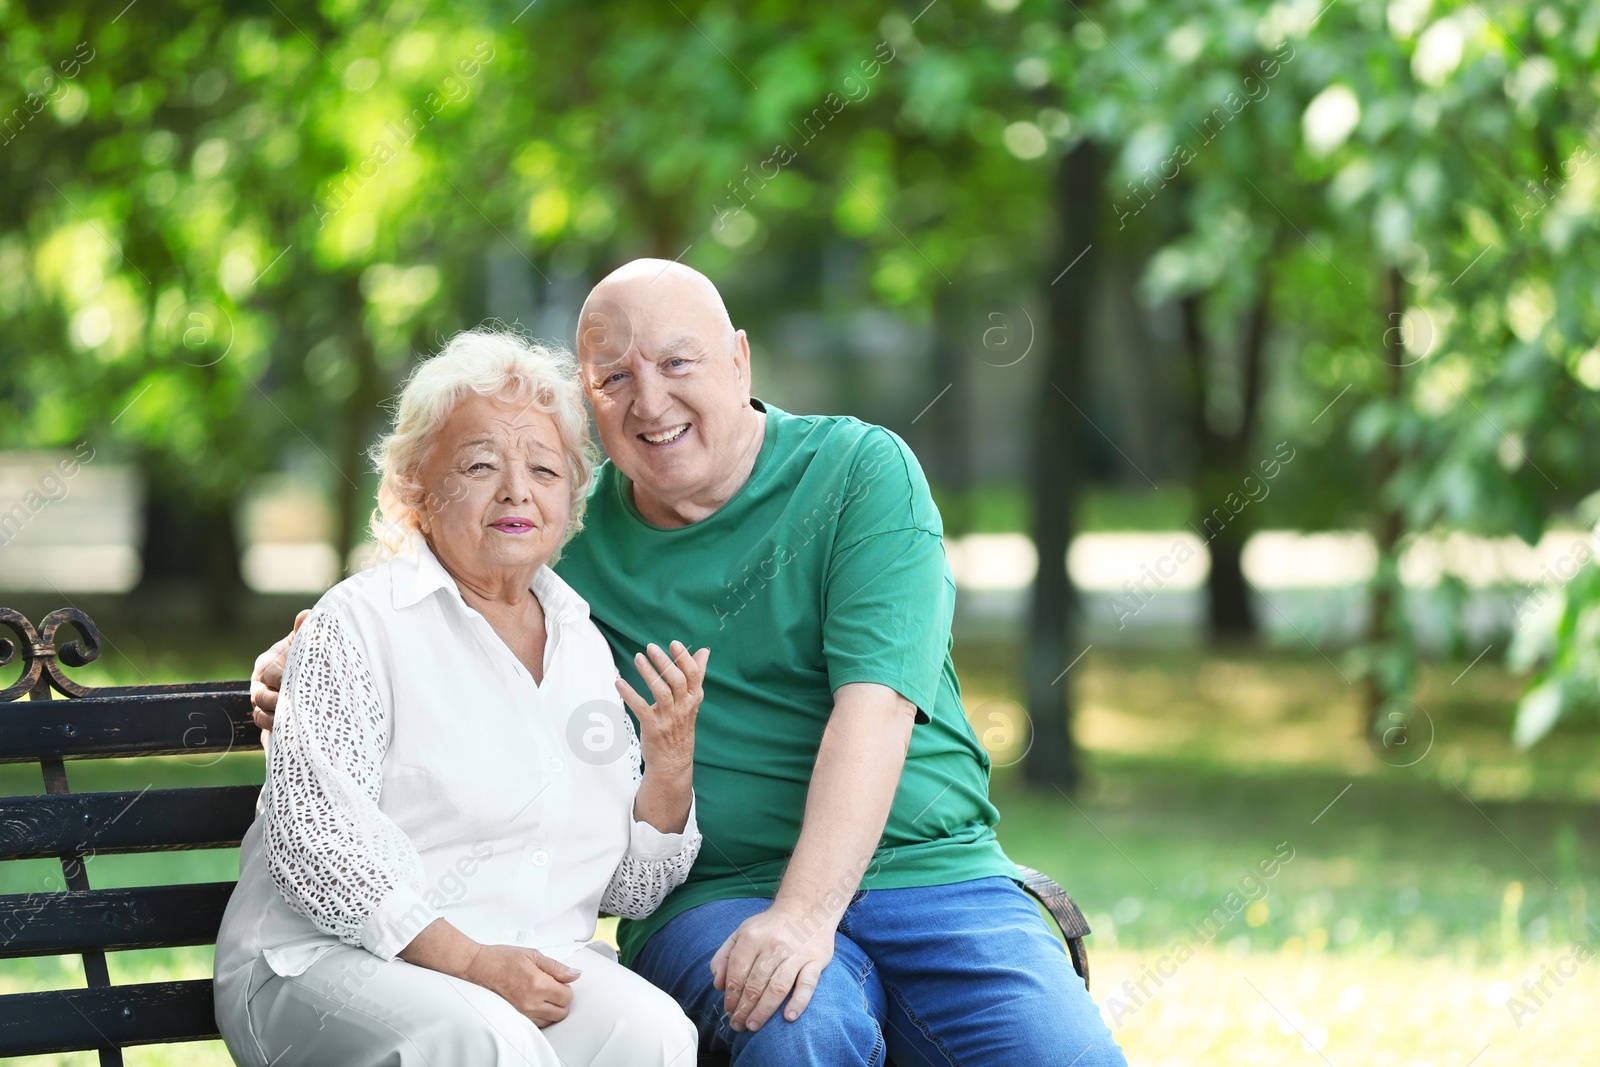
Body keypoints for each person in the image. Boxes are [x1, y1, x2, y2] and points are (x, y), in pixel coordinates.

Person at [254, 260, 1127, 1066]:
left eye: (678, 363)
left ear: (739, 362)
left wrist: (804, 915)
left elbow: (878, 707)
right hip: (717, 893)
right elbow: (450, 556)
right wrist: (310, 652)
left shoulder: (860, 473)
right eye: (615, 378)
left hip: (929, 875)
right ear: (589, 402)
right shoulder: (573, 533)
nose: (650, 401)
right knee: (794, 1029)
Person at [217, 329, 703, 1067]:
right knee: (484, 1040)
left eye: (543, 468)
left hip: (522, 964)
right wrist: (473, 962)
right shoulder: (358, 623)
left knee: (658, 1035)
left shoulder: (581, 642)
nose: (516, 490)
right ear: (416, 486)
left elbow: (622, 891)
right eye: (480, 465)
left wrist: (668, 773)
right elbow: (319, 847)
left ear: (569, 495)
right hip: (324, 965)